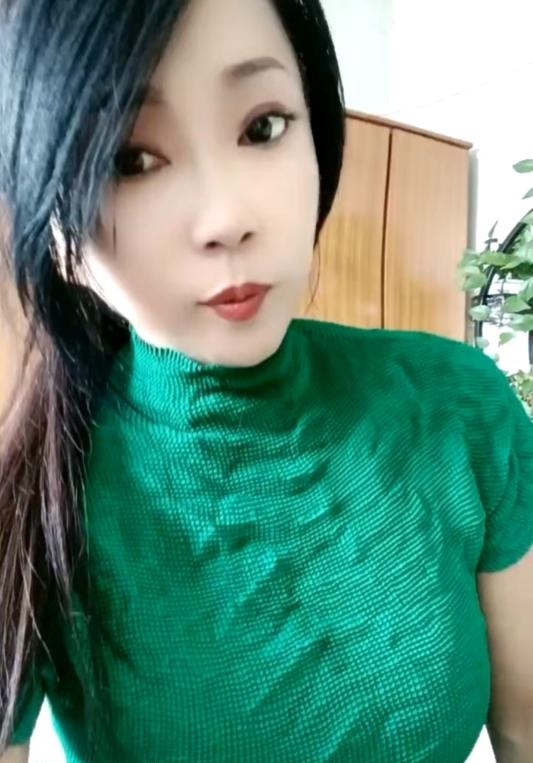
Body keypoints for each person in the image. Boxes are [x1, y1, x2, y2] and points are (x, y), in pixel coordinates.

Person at [0, 0, 532, 761]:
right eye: (129, 159)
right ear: (57, 236)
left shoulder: (460, 407)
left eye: (263, 126)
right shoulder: (37, 492)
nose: (227, 218)